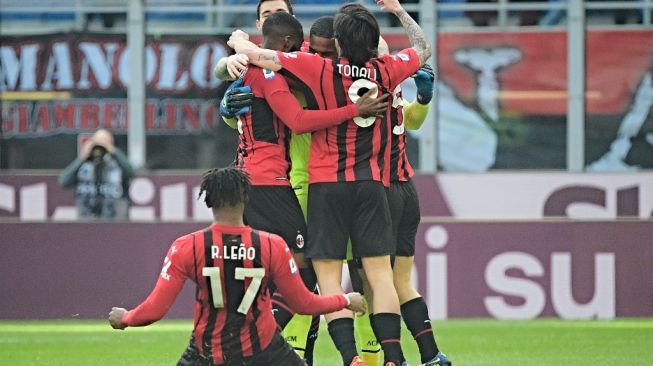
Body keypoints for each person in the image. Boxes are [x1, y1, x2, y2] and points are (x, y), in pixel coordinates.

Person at [228, 1, 431, 365]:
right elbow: (423, 47)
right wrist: (400, 12)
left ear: (337, 40)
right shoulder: (386, 70)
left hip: (324, 185)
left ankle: (350, 357)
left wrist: (236, 43)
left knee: (325, 280)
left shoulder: (318, 68)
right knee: (379, 275)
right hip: (371, 184)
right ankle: (393, 359)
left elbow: (259, 56)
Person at [108, 167, 366, 366]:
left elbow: (155, 309)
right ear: (246, 196)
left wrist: (126, 318)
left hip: (206, 351)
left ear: (208, 200)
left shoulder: (187, 246)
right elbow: (303, 303)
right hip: (265, 350)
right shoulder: (271, 245)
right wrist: (345, 300)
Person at [58, 129, 134, 220]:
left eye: (105, 141)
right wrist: (82, 157)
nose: (100, 145)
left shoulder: (117, 164)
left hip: (114, 217)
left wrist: (114, 152)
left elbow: (131, 173)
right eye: (97, 141)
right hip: (86, 216)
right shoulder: (83, 164)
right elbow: (63, 182)